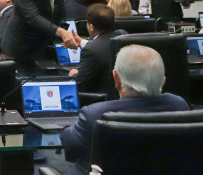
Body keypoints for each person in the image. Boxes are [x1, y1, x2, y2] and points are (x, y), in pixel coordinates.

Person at [60, 45, 188, 175]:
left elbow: (71, 151)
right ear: (163, 80)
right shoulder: (179, 106)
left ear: (117, 79)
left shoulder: (95, 114)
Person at [68, 4, 125, 99]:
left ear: (91, 26)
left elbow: (80, 84)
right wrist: (81, 42)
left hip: (101, 100)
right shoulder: (122, 35)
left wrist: (74, 74)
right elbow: (103, 48)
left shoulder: (90, 51)